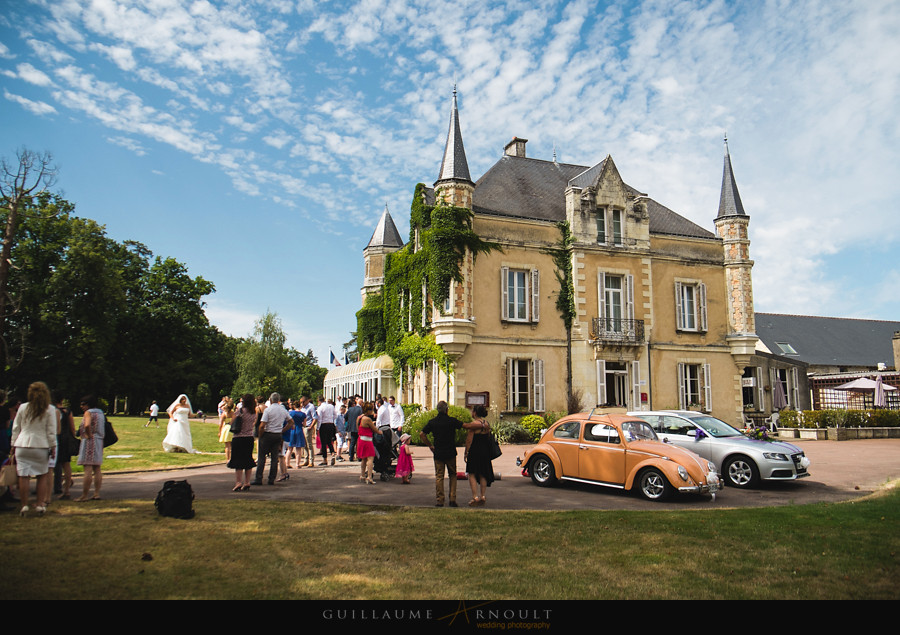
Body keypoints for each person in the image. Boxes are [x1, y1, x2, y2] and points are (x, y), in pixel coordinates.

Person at [419, 401, 484, 507]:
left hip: (438, 452)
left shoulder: (432, 422)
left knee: (439, 476)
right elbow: (466, 426)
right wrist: (482, 424)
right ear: (447, 410)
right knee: (453, 475)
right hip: (450, 452)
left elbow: (422, 434)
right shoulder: (452, 421)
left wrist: (430, 445)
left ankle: (440, 500)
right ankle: (452, 499)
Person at [10, 381, 57, 516]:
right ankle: (40, 504)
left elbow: (16, 428)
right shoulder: (50, 409)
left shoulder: (23, 407)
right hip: (41, 445)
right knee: (42, 475)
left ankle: (24, 505)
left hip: (22, 444)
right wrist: (53, 446)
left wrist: (13, 444)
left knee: (23, 476)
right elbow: (51, 431)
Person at [254, 392, 292, 485]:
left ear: (270, 400)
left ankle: (259, 478)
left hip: (268, 433)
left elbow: (262, 425)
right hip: (277, 434)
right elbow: (291, 422)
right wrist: (282, 430)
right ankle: (271, 478)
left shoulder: (268, 410)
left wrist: (260, 434)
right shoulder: (283, 410)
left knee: (262, 457)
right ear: (278, 400)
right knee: (274, 458)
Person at [76, 394, 105, 502]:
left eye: (83, 404)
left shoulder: (88, 413)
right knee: (97, 468)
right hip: (99, 440)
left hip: (89, 441)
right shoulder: (100, 413)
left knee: (87, 467)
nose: (81, 406)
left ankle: (84, 495)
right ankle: (96, 493)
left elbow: (87, 425)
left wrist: (88, 434)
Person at [464, 404, 495, 506]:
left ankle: (475, 497)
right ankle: (482, 496)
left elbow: (469, 440)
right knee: (483, 473)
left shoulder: (474, 424)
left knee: (472, 473)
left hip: (475, 451)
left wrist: (466, 452)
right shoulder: (486, 424)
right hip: (485, 451)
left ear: (475, 413)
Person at [227, 394, 257, 491]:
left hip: (238, 437)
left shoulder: (240, 411)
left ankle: (238, 482)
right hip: (249, 438)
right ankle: (247, 482)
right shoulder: (254, 413)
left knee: (238, 460)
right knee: (248, 459)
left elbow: (232, 422)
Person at [53, 393, 76, 499]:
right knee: (66, 464)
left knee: (52, 465)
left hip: (54, 438)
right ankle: (66, 490)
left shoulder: (51, 411)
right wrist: (73, 437)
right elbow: (72, 427)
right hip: (66, 439)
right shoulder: (67, 411)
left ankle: (50, 488)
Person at [356, 402, 378, 484]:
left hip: (361, 439)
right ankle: (369, 477)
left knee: (364, 458)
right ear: (368, 410)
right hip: (367, 440)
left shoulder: (359, 418)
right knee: (370, 458)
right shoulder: (367, 419)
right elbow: (374, 429)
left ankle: (362, 475)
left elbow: (358, 428)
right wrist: (380, 432)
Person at [316, 396, 337, 466]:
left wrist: (317, 428)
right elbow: (335, 415)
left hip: (323, 424)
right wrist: (332, 420)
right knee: (329, 441)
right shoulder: (331, 406)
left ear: (319, 401)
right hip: (331, 424)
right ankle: (332, 453)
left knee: (323, 443)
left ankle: (325, 459)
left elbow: (319, 419)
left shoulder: (320, 408)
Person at [218, 396, 235, 461]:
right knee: (232, 445)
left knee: (227, 446)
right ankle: (232, 458)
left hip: (226, 428)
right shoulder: (233, 413)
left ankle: (228, 459)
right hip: (232, 428)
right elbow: (234, 421)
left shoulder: (224, 414)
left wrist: (220, 431)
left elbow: (220, 424)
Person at [345, 396, 362, 462]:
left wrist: (349, 421)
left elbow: (345, 417)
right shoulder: (360, 409)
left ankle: (351, 456)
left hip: (352, 427)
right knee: (359, 442)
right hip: (359, 427)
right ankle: (359, 456)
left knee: (352, 443)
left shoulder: (350, 409)